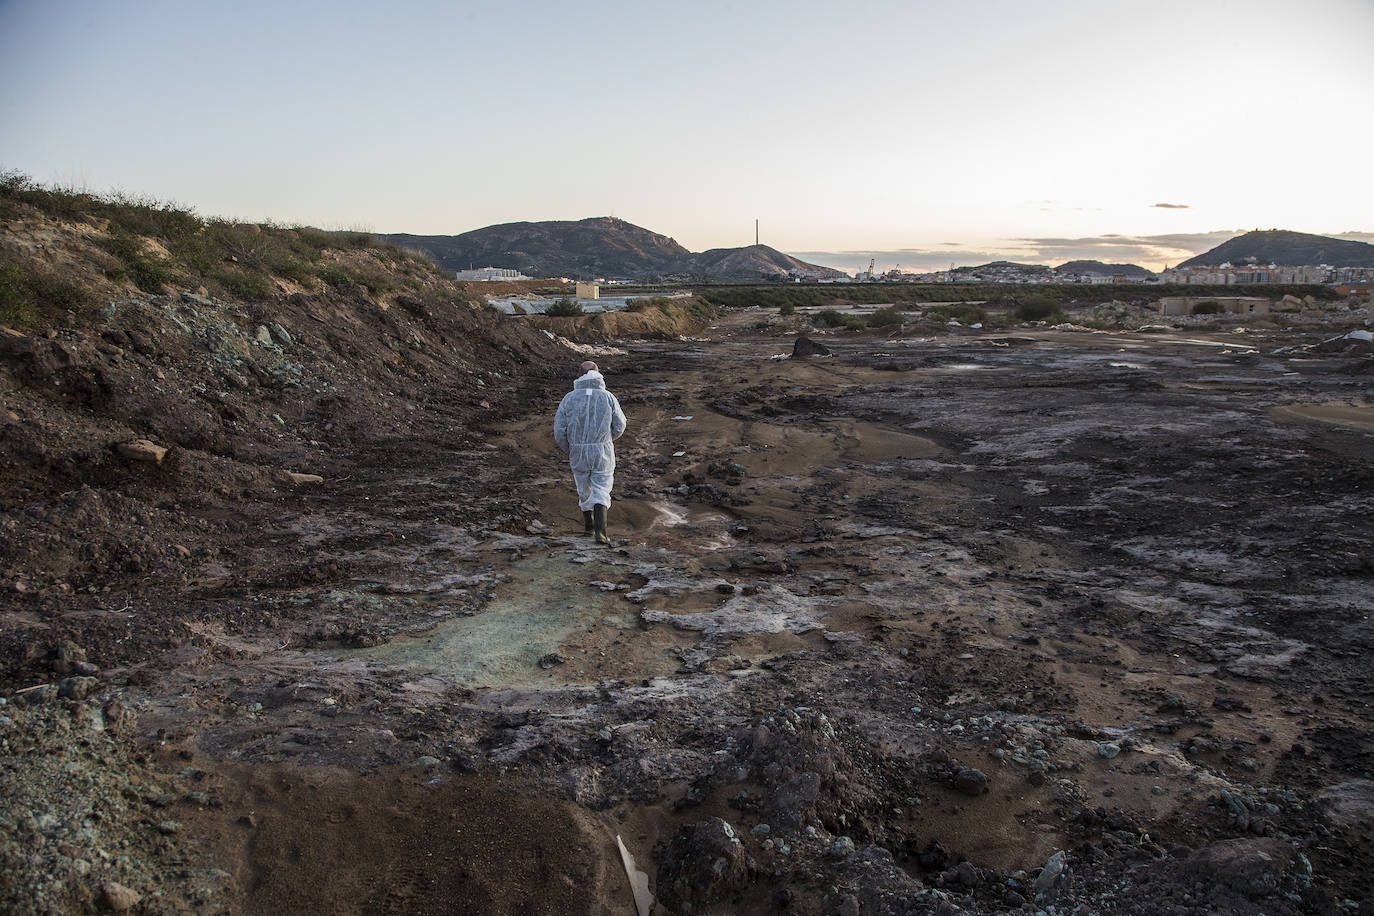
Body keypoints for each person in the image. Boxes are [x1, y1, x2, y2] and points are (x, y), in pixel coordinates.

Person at [553, 360, 626, 545]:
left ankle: (588, 527)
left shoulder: (569, 398)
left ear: (579, 375)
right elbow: (620, 424)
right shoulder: (608, 397)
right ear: (598, 373)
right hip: (602, 449)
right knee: (602, 486)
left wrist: (570, 448)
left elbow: (559, 430)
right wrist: (607, 439)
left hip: (578, 449)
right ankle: (601, 532)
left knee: (583, 487)